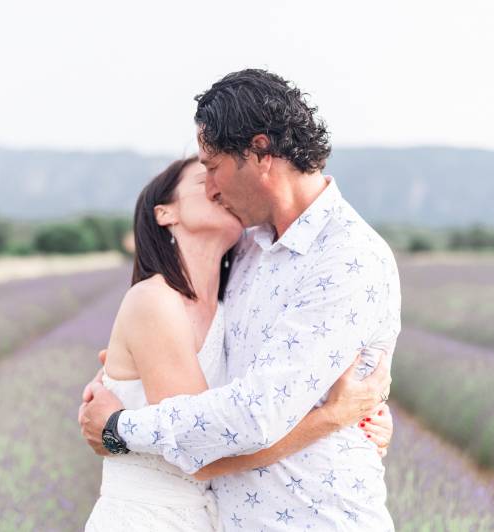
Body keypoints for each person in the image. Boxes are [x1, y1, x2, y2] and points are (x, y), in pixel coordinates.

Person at [81, 68, 401, 530]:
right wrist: (124, 375)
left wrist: (120, 428)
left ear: (260, 153)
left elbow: (254, 414)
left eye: (212, 167)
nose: (211, 187)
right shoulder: (249, 248)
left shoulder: (348, 257)